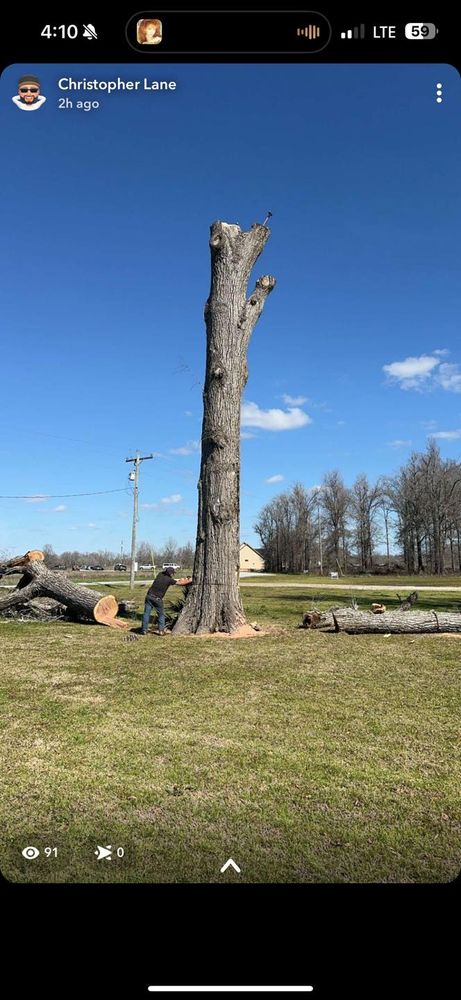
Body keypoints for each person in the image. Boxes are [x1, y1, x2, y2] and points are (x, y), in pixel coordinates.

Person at [141, 566, 192, 635]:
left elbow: (176, 580)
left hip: (149, 596)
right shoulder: (169, 580)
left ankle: (144, 630)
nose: (173, 574)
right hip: (157, 599)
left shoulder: (160, 574)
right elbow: (180, 583)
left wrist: (181, 579)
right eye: (172, 573)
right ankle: (161, 631)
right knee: (161, 615)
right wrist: (190, 580)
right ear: (170, 573)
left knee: (146, 613)